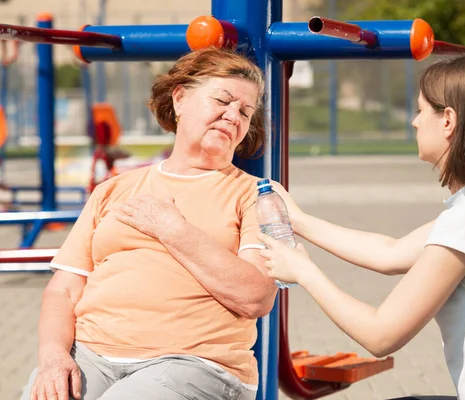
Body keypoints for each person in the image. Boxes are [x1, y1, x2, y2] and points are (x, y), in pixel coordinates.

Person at [259, 52, 465, 400]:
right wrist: (299, 221)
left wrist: (304, 271)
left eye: (421, 110)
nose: (415, 122)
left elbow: (381, 335)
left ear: (448, 120)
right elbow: (391, 253)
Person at [22, 48, 277, 400]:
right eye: (223, 99)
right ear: (181, 99)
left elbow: (256, 297)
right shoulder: (115, 188)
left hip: (195, 362)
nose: (233, 115)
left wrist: (172, 229)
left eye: (245, 111)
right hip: (92, 354)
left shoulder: (257, 195)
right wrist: (52, 357)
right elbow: (63, 289)